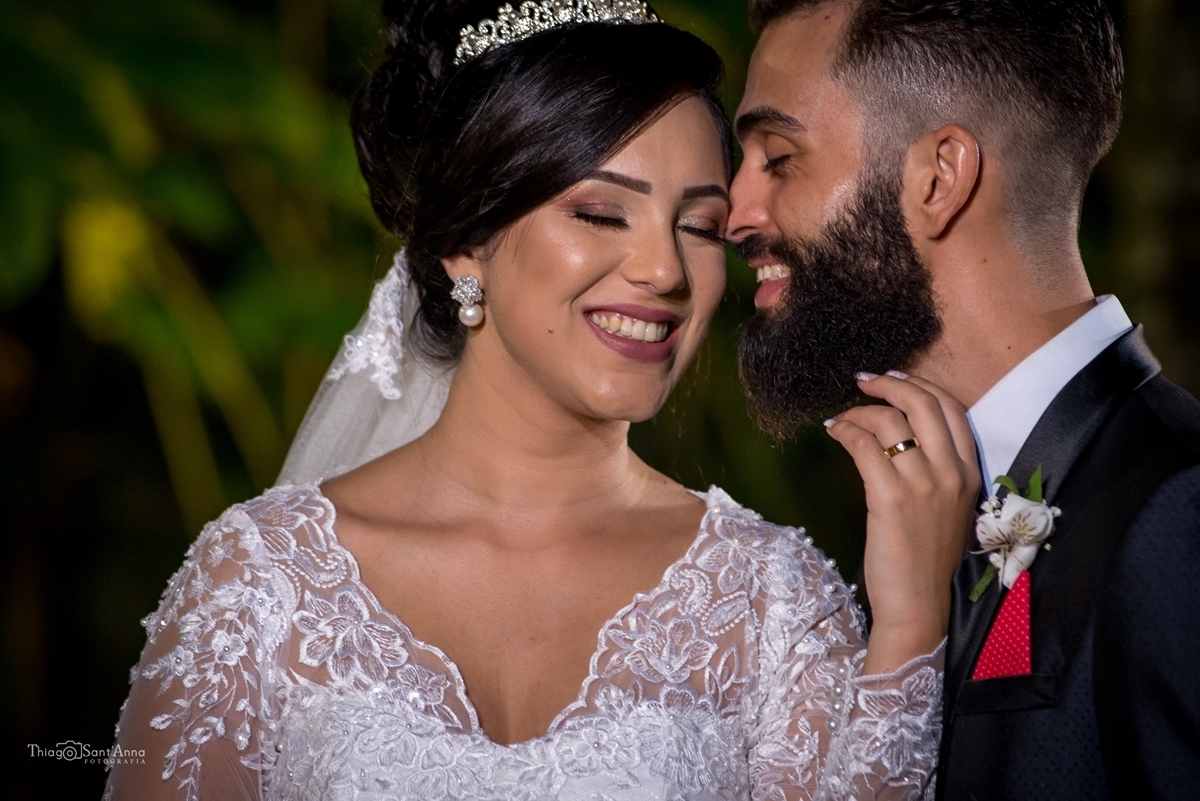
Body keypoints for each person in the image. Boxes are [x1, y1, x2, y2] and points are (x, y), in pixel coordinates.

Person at [105, 0, 980, 799]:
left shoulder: (771, 599)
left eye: (700, 226)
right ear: (465, 245)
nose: (666, 272)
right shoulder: (258, 584)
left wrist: (908, 624)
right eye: (602, 213)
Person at [728, 0, 1200, 797]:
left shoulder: (1181, 515)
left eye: (778, 157)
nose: (737, 213)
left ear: (940, 178)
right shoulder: (914, 527)